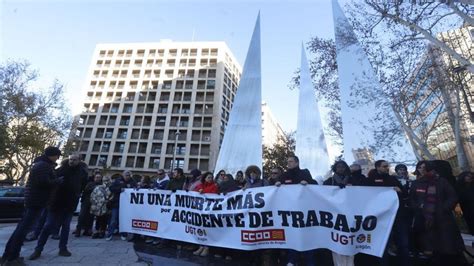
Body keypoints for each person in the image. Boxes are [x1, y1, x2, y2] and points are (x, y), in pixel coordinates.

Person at [1, 147, 62, 266]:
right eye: (57, 155)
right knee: (23, 230)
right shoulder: (43, 165)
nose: (58, 158)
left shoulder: (41, 164)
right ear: (52, 155)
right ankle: (12, 258)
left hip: (34, 201)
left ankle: (9, 255)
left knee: (21, 229)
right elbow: (44, 182)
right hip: (36, 201)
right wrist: (57, 181)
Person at [29, 154, 88, 260]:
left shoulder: (82, 173)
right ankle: (38, 249)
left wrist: (77, 194)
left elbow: (83, 186)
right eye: (71, 159)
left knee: (65, 227)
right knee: (48, 226)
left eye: (74, 160)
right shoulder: (60, 170)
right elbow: (52, 183)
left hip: (70, 204)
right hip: (56, 203)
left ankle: (63, 248)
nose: (72, 161)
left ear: (79, 161)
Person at [410, 161, 468, 266]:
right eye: (419, 167)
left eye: (424, 167)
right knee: (433, 250)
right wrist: (419, 206)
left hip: (444, 220)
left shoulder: (441, 181)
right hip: (426, 221)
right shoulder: (415, 184)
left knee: (450, 248)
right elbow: (412, 200)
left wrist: (443, 208)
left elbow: (452, 197)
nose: (422, 169)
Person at [363, 160, 410, 266]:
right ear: (377, 167)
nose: (387, 168)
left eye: (387, 166)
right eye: (384, 166)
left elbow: (405, 194)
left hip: (397, 215)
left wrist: (400, 191)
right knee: (383, 244)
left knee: (403, 243)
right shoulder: (369, 181)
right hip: (381, 218)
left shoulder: (393, 179)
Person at [324, 160, 356, 266]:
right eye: (338, 167)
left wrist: (353, 189)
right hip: (335, 216)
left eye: (343, 167)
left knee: (350, 242)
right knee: (336, 243)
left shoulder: (353, 180)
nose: (340, 168)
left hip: (350, 215)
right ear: (335, 168)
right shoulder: (329, 181)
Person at [106, 170, 137, 241]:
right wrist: (119, 189)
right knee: (113, 220)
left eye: (129, 175)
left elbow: (137, 189)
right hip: (116, 203)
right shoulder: (117, 181)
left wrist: (136, 188)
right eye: (126, 175)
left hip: (127, 206)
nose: (127, 176)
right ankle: (109, 234)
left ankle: (123, 234)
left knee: (124, 220)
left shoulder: (133, 182)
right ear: (123, 175)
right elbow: (111, 188)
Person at [75, 173, 102, 237]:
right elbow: (86, 190)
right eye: (97, 177)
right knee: (82, 216)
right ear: (94, 178)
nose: (98, 179)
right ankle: (78, 230)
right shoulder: (90, 184)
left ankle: (88, 230)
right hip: (86, 202)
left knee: (91, 217)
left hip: (94, 203)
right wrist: (95, 188)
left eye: (99, 177)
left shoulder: (101, 185)